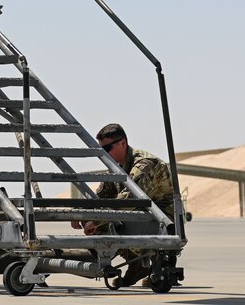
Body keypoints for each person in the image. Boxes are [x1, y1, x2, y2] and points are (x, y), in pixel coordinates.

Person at [72, 123, 174, 288]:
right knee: (102, 221)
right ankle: (137, 262)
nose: (104, 154)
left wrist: (95, 220)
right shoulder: (116, 167)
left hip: (161, 220)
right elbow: (101, 196)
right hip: (139, 217)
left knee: (108, 222)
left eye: (107, 148)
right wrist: (82, 214)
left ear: (123, 143)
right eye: (101, 150)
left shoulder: (145, 164)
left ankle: (147, 259)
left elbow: (128, 201)